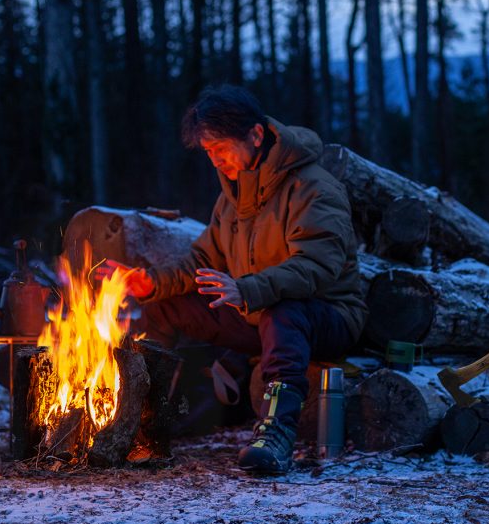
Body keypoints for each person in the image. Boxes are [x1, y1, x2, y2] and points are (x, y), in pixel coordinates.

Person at [96, 85, 367, 473]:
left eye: (221, 148)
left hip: (327, 316)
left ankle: (276, 433)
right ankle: (143, 420)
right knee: (164, 306)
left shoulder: (314, 188)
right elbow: (203, 260)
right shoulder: (233, 199)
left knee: (282, 311)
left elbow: (316, 267)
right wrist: (151, 282)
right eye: (209, 151)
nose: (215, 160)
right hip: (255, 312)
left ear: (255, 135)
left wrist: (248, 289)